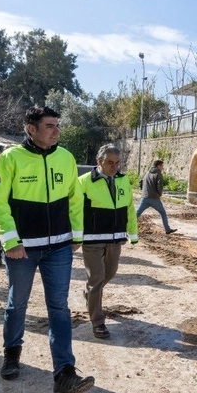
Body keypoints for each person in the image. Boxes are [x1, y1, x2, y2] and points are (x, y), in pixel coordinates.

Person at [0, 105, 93, 393]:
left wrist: (77, 235)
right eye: (50, 126)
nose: (57, 130)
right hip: (22, 250)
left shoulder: (66, 157)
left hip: (58, 247)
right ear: (31, 129)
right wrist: (11, 241)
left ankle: (65, 373)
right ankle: (11, 353)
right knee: (16, 303)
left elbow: (75, 197)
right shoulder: (10, 158)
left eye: (58, 125)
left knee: (59, 307)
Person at [77, 144, 138, 339]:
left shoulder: (123, 180)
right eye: (110, 162)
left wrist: (132, 233)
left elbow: (129, 207)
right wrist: (76, 236)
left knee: (109, 273)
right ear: (99, 161)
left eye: (118, 163)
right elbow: (75, 211)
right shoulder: (83, 182)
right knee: (96, 278)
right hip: (92, 239)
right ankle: (98, 321)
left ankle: (90, 295)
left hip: (115, 238)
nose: (115, 167)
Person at [136, 160, 177, 235]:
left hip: (144, 197)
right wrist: (159, 194)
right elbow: (160, 186)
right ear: (158, 166)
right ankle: (167, 229)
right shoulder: (158, 173)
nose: (163, 168)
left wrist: (143, 191)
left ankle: (125, 227)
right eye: (162, 166)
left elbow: (140, 182)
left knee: (137, 213)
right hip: (154, 198)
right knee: (163, 213)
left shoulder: (147, 172)